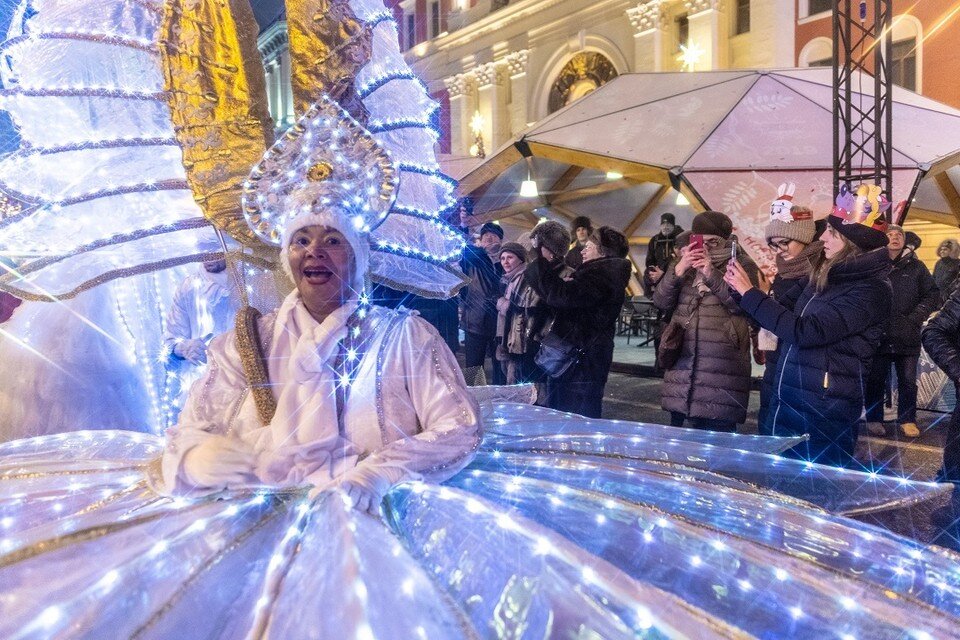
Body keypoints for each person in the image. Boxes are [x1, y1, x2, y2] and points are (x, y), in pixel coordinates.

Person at [725, 188, 892, 467]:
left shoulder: (871, 289)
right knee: (781, 485)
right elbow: (782, 316)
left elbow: (804, 331)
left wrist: (750, 293)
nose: (822, 237)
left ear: (852, 242)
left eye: (832, 233)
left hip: (823, 407)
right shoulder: (826, 275)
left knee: (813, 488)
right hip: (792, 394)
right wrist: (740, 292)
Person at [653, 211, 758, 432]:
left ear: (726, 241)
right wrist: (678, 271)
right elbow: (661, 301)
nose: (707, 247)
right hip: (683, 359)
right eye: (701, 241)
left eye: (714, 241)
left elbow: (743, 305)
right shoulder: (683, 265)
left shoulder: (741, 264)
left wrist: (711, 273)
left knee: (717, 437)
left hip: (722, 364)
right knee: (678, 440)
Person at [526, 226, 631, 418]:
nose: (583, 250)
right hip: (580, 359)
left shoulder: (601, 277)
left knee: (576, 417)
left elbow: (561, 297)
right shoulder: (599, 275)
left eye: (589, 247)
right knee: (570, 412)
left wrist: (539, 260)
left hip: (581, 363)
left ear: (603, 251)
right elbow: (562, 301)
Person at [863, 224, 939, 438]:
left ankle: (907, 419)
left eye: (899, 235)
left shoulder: (917, 267)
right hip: (879, 335)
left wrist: (915, 318)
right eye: (890, 234)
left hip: (907, 335)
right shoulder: (874, 266)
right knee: (875, 379)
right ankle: (874, 419)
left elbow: (933, 295)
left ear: (905, 240)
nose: (895, 238)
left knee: (907, 381)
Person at [756, 188, 822, 435]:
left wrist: (760, 301)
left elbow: (795, 321)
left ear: (804, 238)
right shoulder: (786, 269)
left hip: (804, 367)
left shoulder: (819, 272)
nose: (779, 250)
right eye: (774, 245)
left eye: (785, 242)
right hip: (777, 360)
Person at [162, 256, 244, 415]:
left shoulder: (249, 279)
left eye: (213, 250)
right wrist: (183, 349)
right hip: (199, 394)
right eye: (202, 250)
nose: (208, 256)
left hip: (242, 387)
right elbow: (168, 344)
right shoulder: (188, 287)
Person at [459, 221, 504, 385]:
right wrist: (464, 226)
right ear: (481, 241)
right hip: (475, 321)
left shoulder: (506, 261)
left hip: (500, 324)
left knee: (501, 368)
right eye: (486, 237)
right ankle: (473, 401)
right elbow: (462, 250)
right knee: (473, 369)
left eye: (494, 236)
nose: (490, 239)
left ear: (501, 241)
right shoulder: (474, 259)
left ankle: (501, 401)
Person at [644, 212, 683, 288]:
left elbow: (680, 259)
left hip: (676, 276)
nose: (665, 227)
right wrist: (652, 273)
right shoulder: (655, 240)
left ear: (673, 226)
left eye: (668, 224)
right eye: (663, 224)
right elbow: (650, 260)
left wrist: (662, 273)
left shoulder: (680, 239)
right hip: (657, 276)